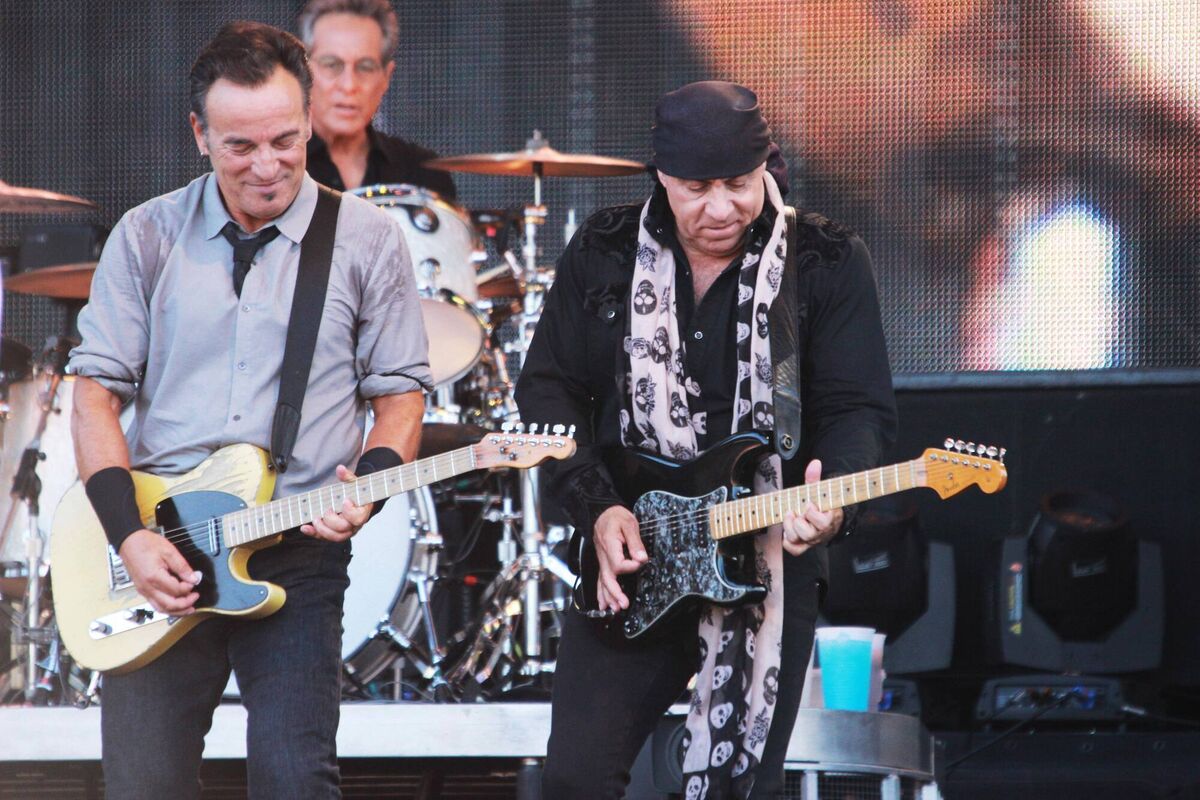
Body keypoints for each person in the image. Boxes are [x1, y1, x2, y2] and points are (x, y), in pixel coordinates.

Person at [68, 21, 430, 798]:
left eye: (285, 140)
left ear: (308, 122)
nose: (267, 166)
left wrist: (368, 486)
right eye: (240, 146)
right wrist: (129, 537)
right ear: (199, 134)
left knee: (295, 777)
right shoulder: (147, 235)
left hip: (296, 543)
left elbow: (401, 392)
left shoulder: (367, 239)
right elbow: (94, 392)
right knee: (144, 784)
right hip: (162, 542)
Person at [515, 81, 896, 799]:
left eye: (739, 184)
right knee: (575, 778)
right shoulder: (602, 250)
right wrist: (597, 508)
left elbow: (858, 409)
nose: (721, 208)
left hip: (766, 554)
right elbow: (548, 391)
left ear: (766, 168)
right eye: (697, 188)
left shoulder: (825, 259)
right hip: (634, 553)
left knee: (741, 785)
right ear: (660, 175)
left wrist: (834, 499)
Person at [297, 0, 457, 198]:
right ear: (303, 70)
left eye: (365, 67)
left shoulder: (422, 175)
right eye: (332, 65)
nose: (349, 85)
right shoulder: (278, 169)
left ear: (386, 77)